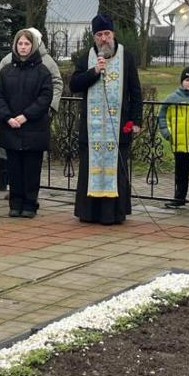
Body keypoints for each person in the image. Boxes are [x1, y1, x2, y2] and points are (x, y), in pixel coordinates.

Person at [70, 14, 143, 225]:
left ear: (113, 34)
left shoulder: (126, 56)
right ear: (94, 37)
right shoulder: (87, 57)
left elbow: (135, 91)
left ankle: (113, 214)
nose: (104, 38)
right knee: (90, 170)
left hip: (118, 127)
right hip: (92, 129)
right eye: (99, 35)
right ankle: (89, 213)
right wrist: (94, 71)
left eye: (107, 34)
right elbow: (74, 84)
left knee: (117, 171)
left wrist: (136, 120)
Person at [0, 27, 64, 195]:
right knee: (13, 168)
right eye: (20, 43)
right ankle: (15, 200)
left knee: (32, 170)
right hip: (12, 125)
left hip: (34, 123)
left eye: (27, 43)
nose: (23, 47)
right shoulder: (7, 64)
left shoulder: (45, 65)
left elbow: (51, 89)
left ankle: (30, 202)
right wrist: (7, 116)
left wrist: (47, 109)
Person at [157, 66, 189, 211]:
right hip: (179, 143)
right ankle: (179, 198)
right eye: (187, 80)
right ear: (181, 82)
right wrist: (167, 133)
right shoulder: (172, 99)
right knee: (180, 173)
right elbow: (162, 116)